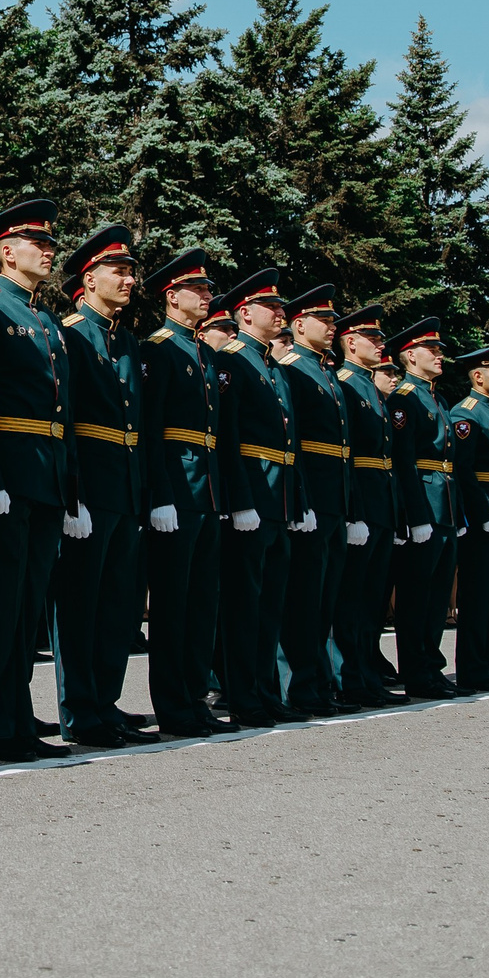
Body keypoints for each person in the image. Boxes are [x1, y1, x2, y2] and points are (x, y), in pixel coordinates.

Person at [0, 197, 75, 763]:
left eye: (51, 243)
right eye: (39, 243)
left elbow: (62, 414)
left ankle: (19, 717)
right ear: (7, 252)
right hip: (7, 476)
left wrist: (69, 487)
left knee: (27, 607)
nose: (49, 251)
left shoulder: (47, 321)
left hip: (46, 478)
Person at [54, 225, 148, 748]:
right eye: (120, 270)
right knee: (80, 606)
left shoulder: (126, 339)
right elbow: (65, 420)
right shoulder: (70, 333)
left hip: (125, 485)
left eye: (131, 271)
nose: (129, 279)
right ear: (89, 279)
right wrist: (75, 494)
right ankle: (80, 710)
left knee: (116, 606)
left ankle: (105, 703)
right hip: (89, 485)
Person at [138, 249, 226, 737]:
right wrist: (161, 493)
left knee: (201, 605)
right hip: (178, 492)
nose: (208, 296)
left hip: (208, 494)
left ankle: (194, 696)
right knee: (172, 606)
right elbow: (152, 430)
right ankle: (172, 704)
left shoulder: (205, 353)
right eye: (200, 290)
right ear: (173, 297)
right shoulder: (158, 349)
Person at [212, 271, 297, 726]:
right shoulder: (233, 362)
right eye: (272, 308)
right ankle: (241, 694)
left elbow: (290, 444)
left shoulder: (271, 367)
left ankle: (265, 690)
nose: (281, 314)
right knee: (244, 605)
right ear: (245, 314)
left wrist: (295, 501)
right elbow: (228, 438)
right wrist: (241, 499)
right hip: (252, 498)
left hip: (278, 500)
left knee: (270, 606)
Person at [275, 286, 351, 718]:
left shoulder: (322, 371)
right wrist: (299, 498)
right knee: (302, 600)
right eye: (325, 320)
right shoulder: (293, 369)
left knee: (323, 600)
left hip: (333, 499)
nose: (333, 327)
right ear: (300, 325)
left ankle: (317, 682)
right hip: (309, 499)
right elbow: (294, 442)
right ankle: (298, 686)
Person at [330, 303, 399, 709]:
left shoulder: (367, 385)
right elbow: (347, 455)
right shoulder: (346, 382)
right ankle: (347, 677)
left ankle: (364, 673)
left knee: (371, 598)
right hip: (358, 498)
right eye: (372, 338)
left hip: (378, 499)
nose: (380, 344)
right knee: (350, 597)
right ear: (350, 342)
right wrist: (354, 511)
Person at [385, 318, 458, 699]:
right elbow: (404, 460)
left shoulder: (435, 397)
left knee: (435, 597)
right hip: (424, 506)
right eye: (433, 349)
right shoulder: (403, 398)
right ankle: (416, 670)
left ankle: (432, 666)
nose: (440, 355)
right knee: (416, 598)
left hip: (443, 505)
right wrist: (415, 515)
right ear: (411, 356)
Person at [445, 341, 489, 691]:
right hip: (485, 513)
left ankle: (488, 665)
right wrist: (482, 512)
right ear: (477, 376)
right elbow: (463, 469)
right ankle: (473, 669)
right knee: (478, 597)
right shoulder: (467, 413)